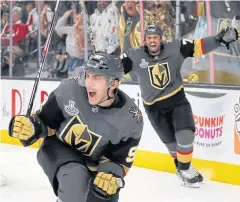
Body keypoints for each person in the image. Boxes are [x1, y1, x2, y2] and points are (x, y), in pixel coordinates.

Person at [8, 52, 143, 202]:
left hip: (95, 163)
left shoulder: (131, 119)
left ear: (114, 83)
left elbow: (119, 160)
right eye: (88, 75)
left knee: (103, 194)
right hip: (58, 148)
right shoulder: (70, 90)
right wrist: (31, 127)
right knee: (75, 179)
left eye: (97, 78)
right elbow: (44, 121)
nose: (89, 83)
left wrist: (109, 175)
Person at [120, 24, 239, 188]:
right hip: (154, 109)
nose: (152, 41)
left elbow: (198, 46)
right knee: (173, 147)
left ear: (160, 39)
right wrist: (103, 67)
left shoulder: (175, 48)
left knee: (186, 135)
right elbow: (116, 68)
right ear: (145, 41)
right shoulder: (135, 55)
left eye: (155, 37)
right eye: (149, 38)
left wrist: (218, 40)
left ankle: (184, 169)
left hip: (176, 99)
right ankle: (183, 168)